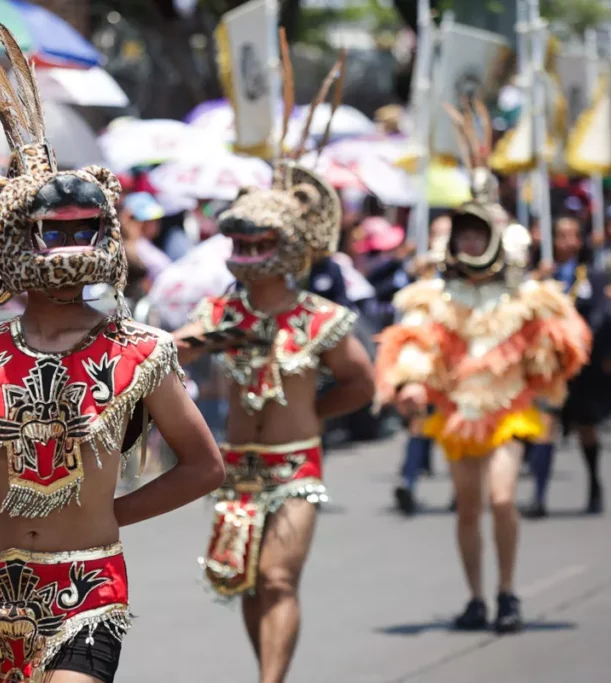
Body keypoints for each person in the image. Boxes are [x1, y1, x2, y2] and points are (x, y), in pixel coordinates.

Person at [0, 12, 224, 682]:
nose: (69, 246)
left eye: (82, 229)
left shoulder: (139, 351)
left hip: (88, 589)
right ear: (16, 244)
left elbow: (204, 466)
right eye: (53, 232)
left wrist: (113, 513)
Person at [175, 49, 375, 683]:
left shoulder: (319, 317)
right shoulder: (220, 312)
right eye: (240, 241)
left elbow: (361, 382)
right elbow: (174, 349)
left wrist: (313, 412)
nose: (246, 252)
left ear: (287, 246)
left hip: (296, 465)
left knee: (280, 577)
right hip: (236, 470)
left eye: (259, 242)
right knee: (247, 582)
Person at [373, 102, 591, 634]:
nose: (470, 241)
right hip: (455, 412)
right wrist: (409, 384)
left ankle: (508, 591)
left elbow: (558, 348)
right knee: (467, 509)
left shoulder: (525, 293)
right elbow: (417, 346)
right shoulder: (434, 294)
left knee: (501, 499)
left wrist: (549, 339)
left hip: (508, 411)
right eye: (463, 233)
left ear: (492, 237)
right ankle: (476, 598)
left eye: (478, 233)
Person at [525, 215, 611, 517]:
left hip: (582, 367)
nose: (567, 241)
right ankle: (539, 496)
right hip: (548, 367)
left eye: (573, 235)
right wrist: (537, 282)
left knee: (586, 428)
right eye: (561, 234)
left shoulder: (591, 276)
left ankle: (594, 483)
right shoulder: (537, 277)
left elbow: (601, 316)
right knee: (545, 428)